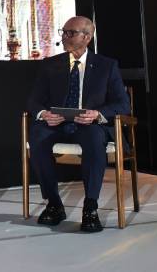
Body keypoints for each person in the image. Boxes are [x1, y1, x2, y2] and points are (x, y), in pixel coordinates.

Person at [27, 16, 130, 232]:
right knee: (37, 136)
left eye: (70, 33)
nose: (64, 37)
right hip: (58, 123)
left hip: (89, 125)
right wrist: (44, 114)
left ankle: (90, 207)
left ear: (87, 37)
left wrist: (97, 114)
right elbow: (34, 101)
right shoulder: (50, 65)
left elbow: (122, 104)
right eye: (63, 32)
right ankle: (54, 204)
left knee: (94, 138)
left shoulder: (106, 66)